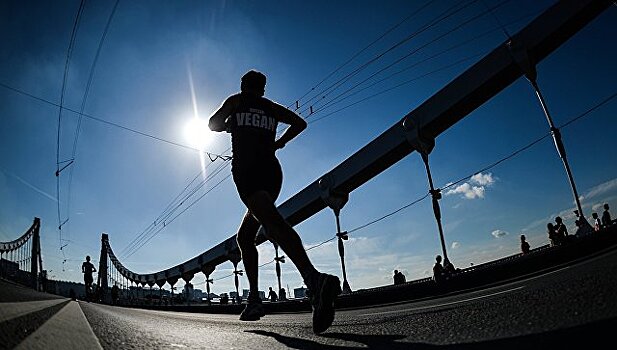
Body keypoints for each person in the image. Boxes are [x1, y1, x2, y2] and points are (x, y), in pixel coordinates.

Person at [208, 70, 341, 334]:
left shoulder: (236, 100)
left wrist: (230, 124)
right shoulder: (270, 107)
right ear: (264, 89)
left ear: (244, 86)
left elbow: (212, 124)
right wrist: (278, 143)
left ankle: (314, 281)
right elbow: (300, 123)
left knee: (271, 223)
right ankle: (255, 300)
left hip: (247, 171)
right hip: (272, 172)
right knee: (245, 237)